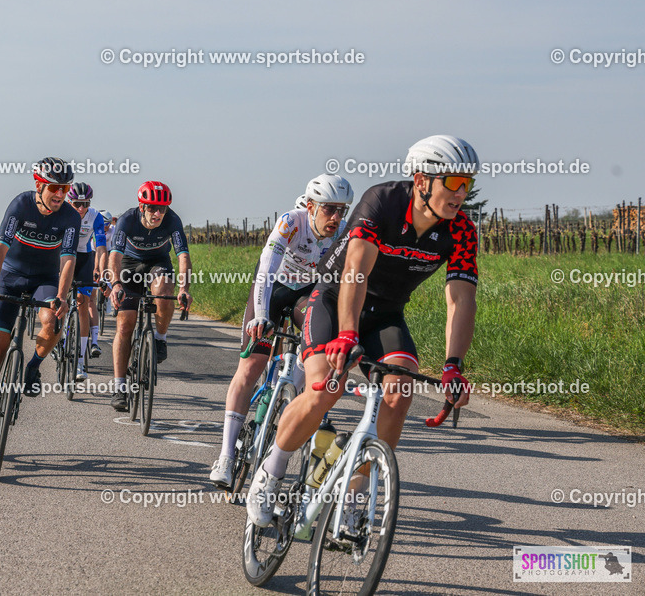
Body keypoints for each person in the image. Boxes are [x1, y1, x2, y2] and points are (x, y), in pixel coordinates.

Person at [247, 135, 479, 528]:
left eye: (468, 184)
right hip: (333, 300)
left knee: (399, 391)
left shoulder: (462, 232)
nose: (462, 193)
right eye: (454, 182)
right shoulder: (384, 201)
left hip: (386, 314)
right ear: (422, 181)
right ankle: (271, 471)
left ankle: (353, 497)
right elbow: (355, 270)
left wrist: (453, 365)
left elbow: (460, 300)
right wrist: (347, 335)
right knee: (325, 386)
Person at [209, 174, 354, 489]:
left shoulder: (343, 232)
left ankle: (288, 400)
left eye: (342, 210)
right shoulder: (291, 222)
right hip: (274, 290)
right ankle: (225, 456)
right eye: (330, 209)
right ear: (312, 206)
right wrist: (261, 315)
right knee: (251, 366)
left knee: (316, 353)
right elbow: (265, 271)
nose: (336, 217)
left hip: (307, 295)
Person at [0, 158, 81, 446]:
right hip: (11, 276)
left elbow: (68, 259)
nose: (60, 194)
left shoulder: (70, 217)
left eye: (65, 188)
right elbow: (0, 246)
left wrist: (61, 297)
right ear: (39, 184)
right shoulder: (20, 205)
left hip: (45, 278)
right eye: (54, 187)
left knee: (53, 322)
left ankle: (32, 366)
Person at [105, 181, 192, 412]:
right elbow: (114, 256)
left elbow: (183, 257)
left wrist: (184, 289)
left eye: (162, 208)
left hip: (157, 262)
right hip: (129, 264)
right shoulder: (127, 220)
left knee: (164, 292)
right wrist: (115, 284)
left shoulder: (173, 220)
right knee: (125, 325)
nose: (158, 213)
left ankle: (160, 338)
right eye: (152, 208)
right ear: (142, 207)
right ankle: (120, 387)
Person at [67, 183, 108, 380]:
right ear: (70, 202)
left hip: (84, 257)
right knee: (58, 297)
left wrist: (99, 268)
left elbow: (100, 247)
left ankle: (80, 362)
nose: (81, 209)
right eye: (77, 204)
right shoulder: (63, 213)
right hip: (64, 256)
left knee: (83, 304)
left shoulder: (95, 217)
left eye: (85, 204)